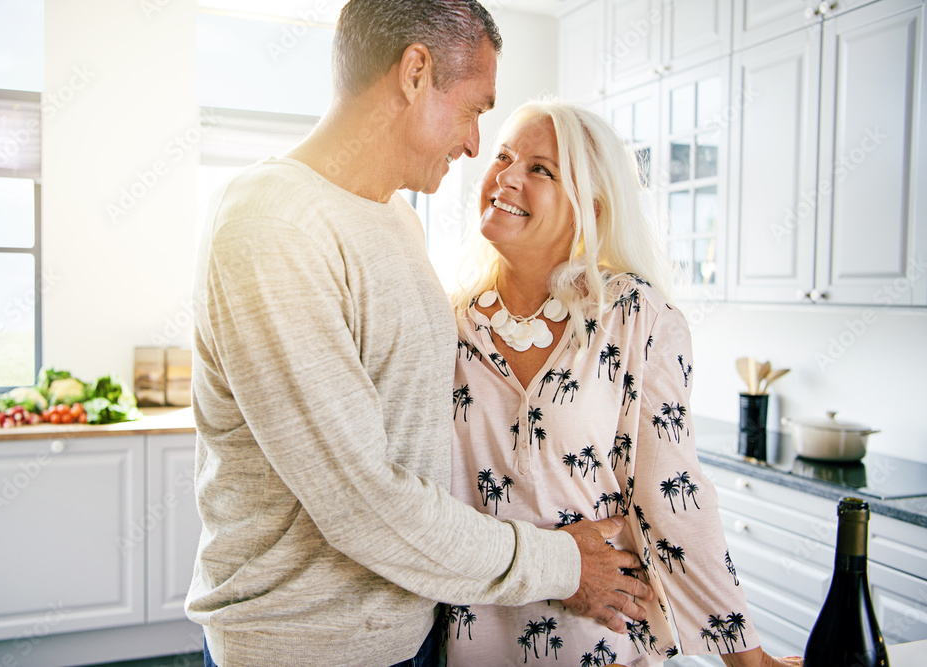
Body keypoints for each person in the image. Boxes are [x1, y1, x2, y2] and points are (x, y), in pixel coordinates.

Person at [184, 3, 654, 666]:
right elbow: (361, 502)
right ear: (414, 72)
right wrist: (564, 563)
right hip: (305, 649)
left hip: (413, 632)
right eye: (474, 110)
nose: (472, 145)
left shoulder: (396, 218)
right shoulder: (271, 226)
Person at [445, 99, 803, 666]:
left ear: (589, 206)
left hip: (604, 641)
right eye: (504, 156)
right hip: (473, 645)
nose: (507, 177)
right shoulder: (445, 323)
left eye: (541, 169)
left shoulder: (637, 319)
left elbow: (674, 496)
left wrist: (747, 658)